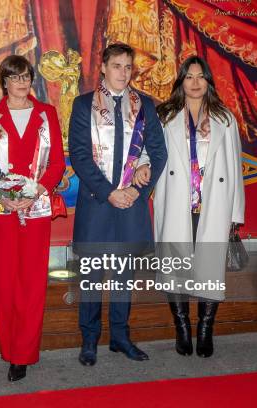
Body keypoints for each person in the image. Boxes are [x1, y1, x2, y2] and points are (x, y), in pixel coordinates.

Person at [69, 43, 167, 366]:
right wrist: (109, 191)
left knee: (125, 274)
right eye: (116, 66)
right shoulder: (83, 105)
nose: (123, 73)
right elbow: (80, 157)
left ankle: (121, 337)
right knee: (92, 276)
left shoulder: (145, 106)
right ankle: (89, 339)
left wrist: (141, 186)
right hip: (98, 203)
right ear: (103, 67)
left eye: (128, 67)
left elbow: (158, 152)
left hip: (132, 203)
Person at [0, 55, 65, 381]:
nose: (22, 83)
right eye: (15, 77)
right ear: (5, 81)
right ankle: (8, 348)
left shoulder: (46, 114)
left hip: (36, 209)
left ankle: (23, 354)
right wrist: (4, 198)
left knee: (33, 282)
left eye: (26, 76)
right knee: (8, 280)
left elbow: (56, 164)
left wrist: (35, 191)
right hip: (3, 212)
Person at [147, 55, 244, 357]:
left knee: (209, 269)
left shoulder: (225, 119)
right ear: (180, 81)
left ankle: (205, 330)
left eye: (201, 76)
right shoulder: (164, 116)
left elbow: (235, 167)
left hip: (213, 204)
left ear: (209, 81)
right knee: (175, 267)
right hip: (177, 201)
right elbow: (148, 156)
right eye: (189, 76)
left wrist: (235, 213)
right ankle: (182, 328)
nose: (195, 82)